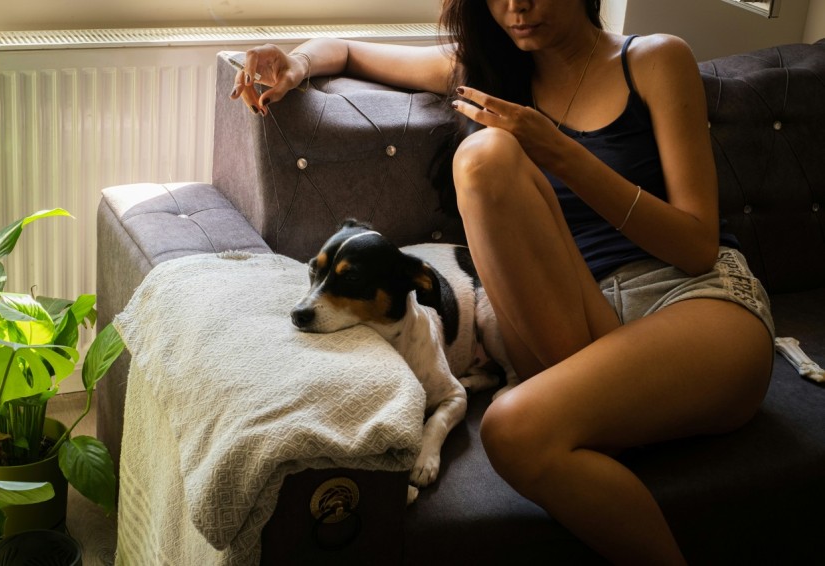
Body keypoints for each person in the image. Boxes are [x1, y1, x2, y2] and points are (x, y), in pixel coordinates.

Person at [231, 1, 776, 563]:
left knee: (512, 428)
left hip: (688, 299)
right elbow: (345, 51)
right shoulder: (487, 75)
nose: (516, 7)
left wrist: (557, 150)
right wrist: (294, 64)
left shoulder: (655, 59)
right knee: (484, 155)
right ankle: (591, 411)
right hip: (570, 312)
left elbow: (695, 245)